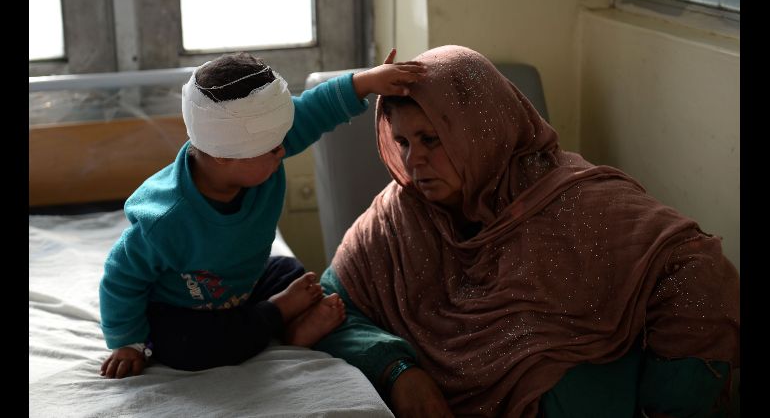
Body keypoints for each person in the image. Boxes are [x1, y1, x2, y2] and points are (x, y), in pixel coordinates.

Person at [314, 45, 740, 417]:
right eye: (403, 142)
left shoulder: (569, 200)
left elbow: (698, 268)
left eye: (432, 139)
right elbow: (332, 305)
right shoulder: (399, 213)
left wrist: (668, 403)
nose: (413, 162)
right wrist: (399, 371)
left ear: (481, 133)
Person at [99, 49, 427, 379]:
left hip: (245, 282)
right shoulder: (166, 218)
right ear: (223, 156)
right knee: (189, 346)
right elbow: (120, 277)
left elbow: (314, 110)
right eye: (273, 148)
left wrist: (366, 82)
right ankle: (279, 315)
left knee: (293, 273)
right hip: (185, 308)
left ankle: (276, 318)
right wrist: (127, 342)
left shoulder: (255, 153)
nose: (283, 150)